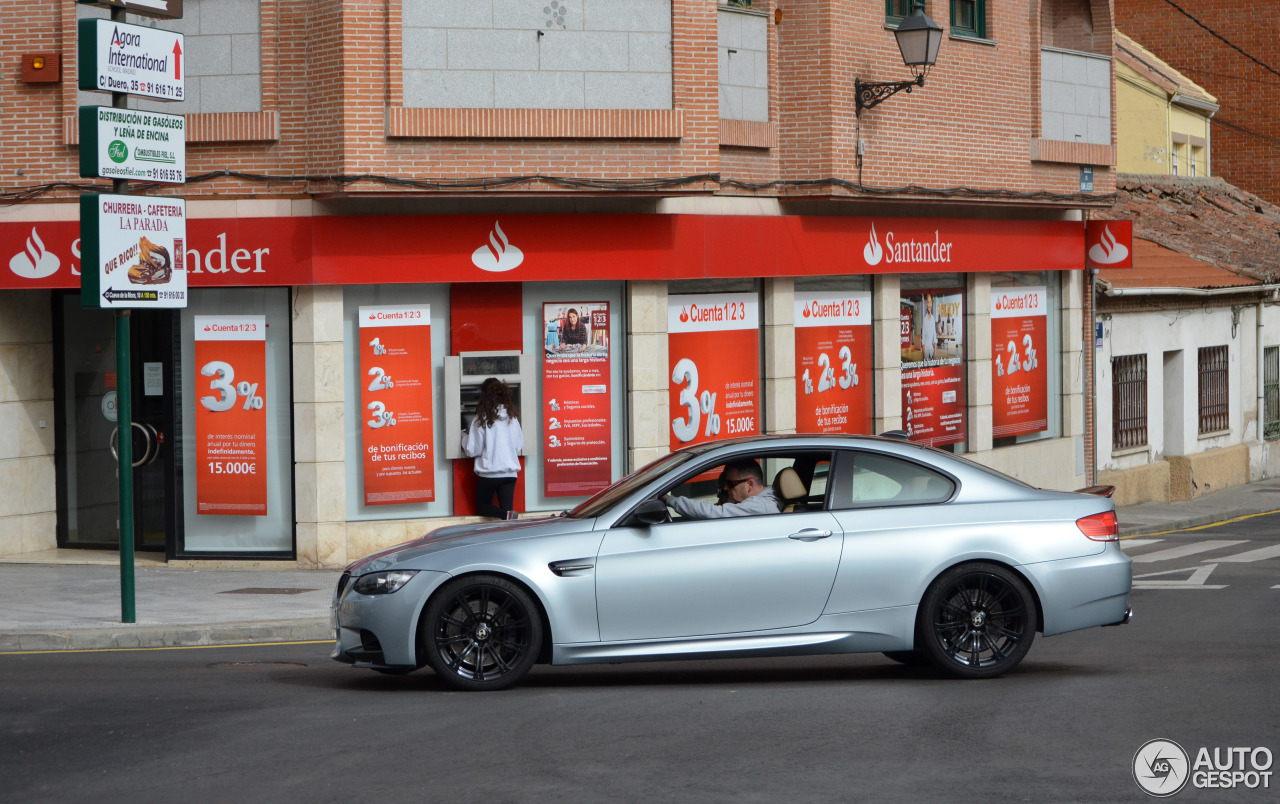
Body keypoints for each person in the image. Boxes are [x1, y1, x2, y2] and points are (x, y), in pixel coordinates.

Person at [463, 378, 524, 519]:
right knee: (507, 517)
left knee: (483, 506)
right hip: (510, 474)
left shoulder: (482, 418)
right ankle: (508, 517)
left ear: (485, 395)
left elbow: (473, 449)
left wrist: (463, 438)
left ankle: (506, 515)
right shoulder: (512, 418)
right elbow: (519, 445)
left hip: (490, 473)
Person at [662, 458, 779, 519]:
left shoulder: (759, 506)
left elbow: (715, 513)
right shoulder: (764, 502)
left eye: (731, 483)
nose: (725, 488)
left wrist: (669, 499)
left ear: (750, 485)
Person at [921, 293, 938, 361]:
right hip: (926, 353)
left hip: (932, 351)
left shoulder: (933, 319)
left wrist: (935, 353)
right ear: (926, 304)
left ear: (932, 304)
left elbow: (934, 336)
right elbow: (923, 340)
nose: (929, 304)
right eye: (928, 302)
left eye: (930, 302)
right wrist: (924, 357)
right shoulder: (924, 320)